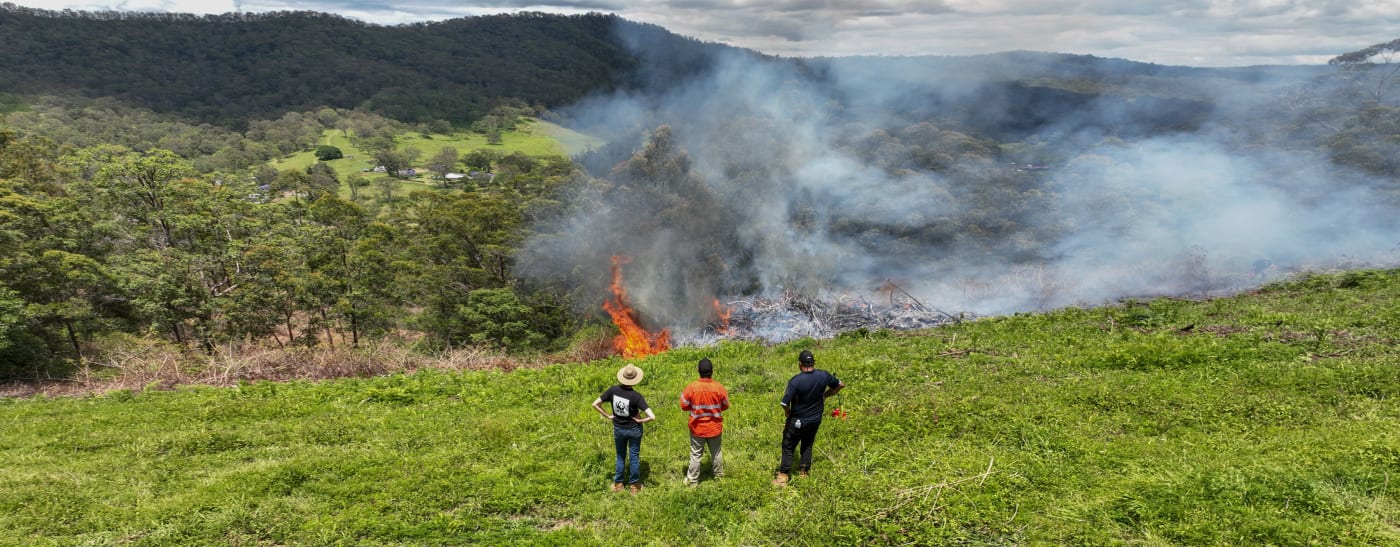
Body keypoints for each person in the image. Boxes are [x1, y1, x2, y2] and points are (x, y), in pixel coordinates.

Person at [773, 349, 844, 486]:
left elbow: (784, 402)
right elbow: (840, 385)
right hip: (815, 419)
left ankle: (783, 476)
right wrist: (826, 395)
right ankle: (803, 472)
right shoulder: (823, 375)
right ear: (813, 362)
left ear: (800, 364)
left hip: (798, 420)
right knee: (807, 444)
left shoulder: (796, 381)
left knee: (788, 445)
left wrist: (787, 412)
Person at [593, 364, 655, 493]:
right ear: (635, 379)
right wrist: (640, 420)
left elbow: (595, 404)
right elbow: (652, 416)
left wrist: (608, 416)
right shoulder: (636, 396)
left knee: (620, 456)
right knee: (634, 457)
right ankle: (634, 487)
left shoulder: (613, 390)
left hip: (619, 429)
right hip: (634, 430)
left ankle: (618, 485)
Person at [680, 357, 730, 486]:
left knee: (696, 454)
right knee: (716, 452)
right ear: (712, 371)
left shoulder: (692, 387)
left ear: (698, 370)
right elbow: (725, 405)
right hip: (714, 428)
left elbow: (683, 405)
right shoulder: (719, 387)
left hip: (697, 428)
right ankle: (718, 477)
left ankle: (693, 481)